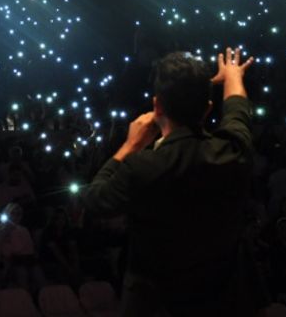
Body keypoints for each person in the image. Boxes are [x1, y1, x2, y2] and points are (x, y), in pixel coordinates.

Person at [83, 48, 258, 316]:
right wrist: (233, 75)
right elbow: (237, 111)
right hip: (219, 304)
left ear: (157, 106)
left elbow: (96, 200)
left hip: (154, 305)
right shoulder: (232, 152)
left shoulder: (142, 166)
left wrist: (131, 145)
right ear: (208, 108)